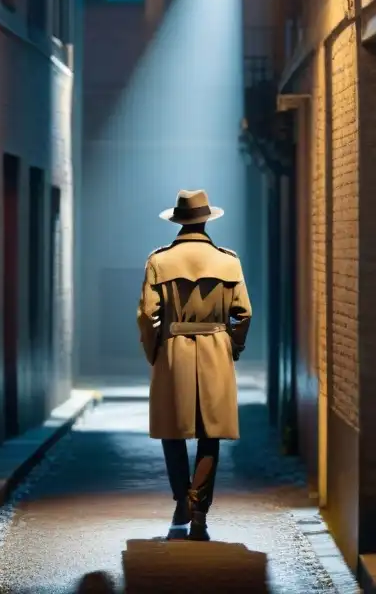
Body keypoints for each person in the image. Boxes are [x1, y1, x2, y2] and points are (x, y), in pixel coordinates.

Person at [136, 189, 252, 541]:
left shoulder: (159, 261)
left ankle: (181, 499)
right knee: (210, 433)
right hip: (216, 347)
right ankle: (199, 508)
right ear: (205, 219)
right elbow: (243, 314)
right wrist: (233, 347)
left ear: (178, 221)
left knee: (172, 430)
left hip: (174, 348)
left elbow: (146, 315)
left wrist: (154, 350)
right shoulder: (228, 261)